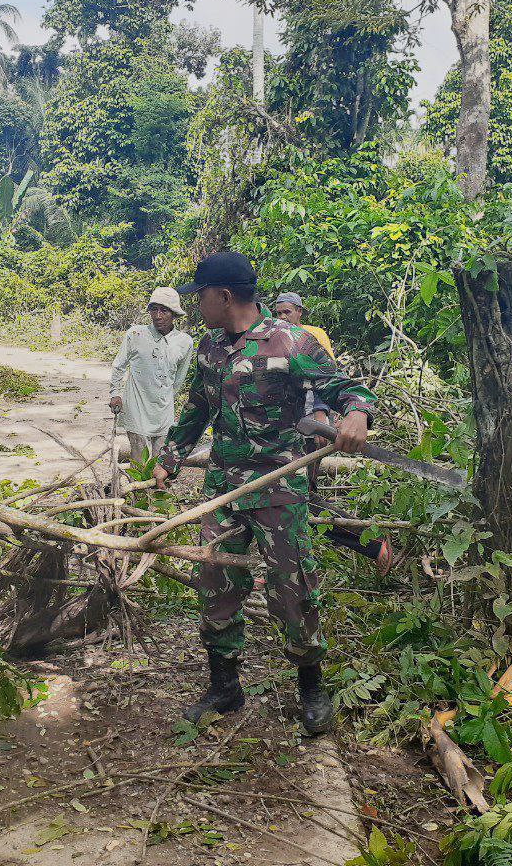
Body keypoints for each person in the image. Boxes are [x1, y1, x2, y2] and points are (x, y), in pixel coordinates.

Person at [152, 253, 376, 735]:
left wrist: (357, 413)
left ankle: (311, 686)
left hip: (279, 487)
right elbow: (196, 409)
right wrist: (170, 457)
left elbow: (345, 389)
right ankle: (224, 685)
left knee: (292, 588)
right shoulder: (210, 347)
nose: (197, 307)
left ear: (225, 296)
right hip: (224, 489)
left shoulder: (292, 341)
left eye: (202, 296)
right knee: (215, 580)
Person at [272, 292, 393, 575]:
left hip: (308, 428)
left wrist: (321, 416)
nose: (282, 317)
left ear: (301, 312)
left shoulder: (310, 336)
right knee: (294, 501)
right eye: (277, 312)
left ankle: (374, 544)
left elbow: (325, 381)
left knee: (302, 501)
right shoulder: (272, 336)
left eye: (287, 312)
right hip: (287, 431)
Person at [109, 288, 194, 464]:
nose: (157, 315)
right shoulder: (136, 334)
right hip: (136, 406)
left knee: (160, 458)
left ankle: (155, 491)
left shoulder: (184, 342)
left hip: (163, 409)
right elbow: (119, 365)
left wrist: (165, 398)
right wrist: (115, 394)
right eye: (153, 309)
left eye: (164, 310)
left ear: (174, 314)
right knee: (139, 456)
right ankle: (137, 490)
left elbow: (178, 379)